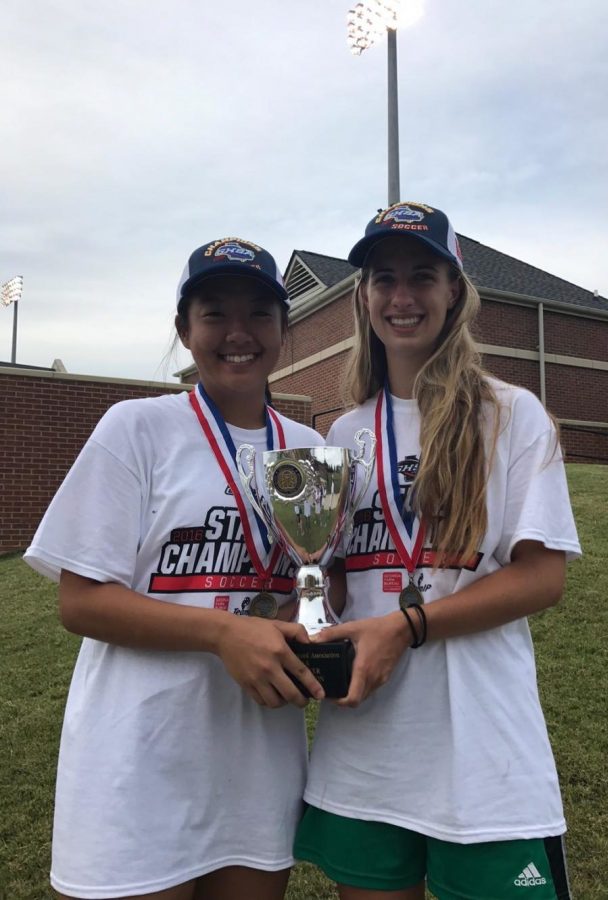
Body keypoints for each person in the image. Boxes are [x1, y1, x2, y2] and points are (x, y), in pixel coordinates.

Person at [294, 202, 582, 900]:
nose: (401, 297)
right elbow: (331, 585)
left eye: (422, 276)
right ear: (362, 296)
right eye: (383, 278)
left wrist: (407, 625)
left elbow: (542, 579)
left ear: (454, 290)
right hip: (366, 752)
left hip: (483, 759)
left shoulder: (511, 415)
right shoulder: (342, 434)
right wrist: (313, 598)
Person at [24, 236, 325, 900]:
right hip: (138, 759)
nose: (238, 333)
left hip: (256, 759)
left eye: (258, 314)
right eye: (215, 313)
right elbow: (82, 604)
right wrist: (222, 633)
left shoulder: (307, 449)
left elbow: (306, 587)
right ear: (184, 330)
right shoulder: (136, 428)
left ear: (284, 329)